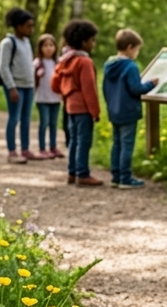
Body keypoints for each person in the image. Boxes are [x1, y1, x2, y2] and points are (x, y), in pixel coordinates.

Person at [102, 29, 159, 188]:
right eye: (137, 49)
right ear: (129, 47)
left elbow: (105, 88)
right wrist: (150, 84)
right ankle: (125, 178)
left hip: (114, 110)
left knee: (117, 144)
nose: (137, 53)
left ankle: (116, 176)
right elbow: (136, 89)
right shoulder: (130, 66)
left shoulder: (109, 65)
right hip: (128, 111)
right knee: (127, 144)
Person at [53, 19, 102, 186]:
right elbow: (89, 89)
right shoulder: (84, 61)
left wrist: (67, 92)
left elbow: (54, 84)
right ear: (84, 41)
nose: (93, 44)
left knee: (73, 140)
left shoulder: (65, 59)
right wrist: (95, 111)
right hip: (83, 108)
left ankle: (72, 172)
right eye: (92, 40)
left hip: (69, 106)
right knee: (84, 141)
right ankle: (83, 174)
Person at [0, 8, 39, 163]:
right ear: (18, 26)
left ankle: (25, 149)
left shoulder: (27, 42)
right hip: (15, 86)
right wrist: (11, 87)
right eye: (28, 26)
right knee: (14, 118)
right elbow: (3, 67)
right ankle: (12, 151)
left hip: (28, 86)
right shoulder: (8, 43)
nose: (31, 29)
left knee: (26, 119)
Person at [33, 33, 63, 159]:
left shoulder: (58, 63)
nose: (49, 48)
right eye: (45, 46)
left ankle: (53, 146)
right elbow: (32, 80)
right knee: (44, 122)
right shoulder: (37, 63)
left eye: (51, 45)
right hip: (42, 98)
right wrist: (37, 75)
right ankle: (42, 148)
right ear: (40, 48)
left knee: (53, 123)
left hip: (55, 98)